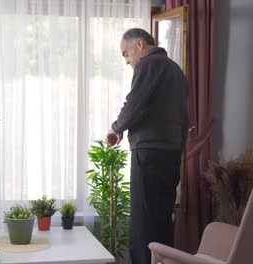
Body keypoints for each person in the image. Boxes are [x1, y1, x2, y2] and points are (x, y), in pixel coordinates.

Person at [107, 28, 189, 264]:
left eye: (126, 54)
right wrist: (179, 149)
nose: (127, 61)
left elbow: (135, 104)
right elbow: (185, 119)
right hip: (172, 155)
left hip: (148, 155)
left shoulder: (148, 65)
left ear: (140, 45)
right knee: (163, 223)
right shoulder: (176, 70)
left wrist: (116, 128)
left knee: (143, 225)